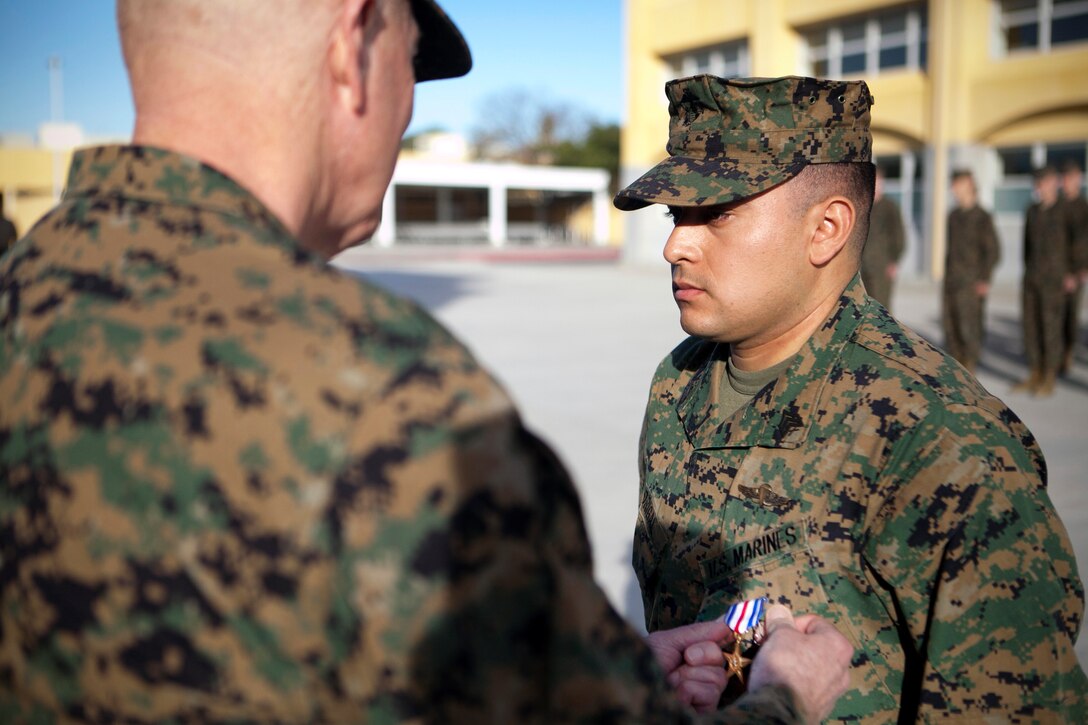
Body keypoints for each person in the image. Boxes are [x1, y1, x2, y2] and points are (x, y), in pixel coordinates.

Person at [0, 1, 855, 722]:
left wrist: (583, 660)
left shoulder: (24, 295)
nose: (409, 110)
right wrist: (783, 694)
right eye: (414, 65)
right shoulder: (388, 403)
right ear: (354, 42)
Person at [616, 74, 1088, 721]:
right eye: (677, 215)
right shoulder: (680, 382)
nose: (676, 244)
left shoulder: (943, 438)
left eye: (718, 213)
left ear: (826, 228)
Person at [1013, 165, 1075, 396]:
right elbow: (1026, 246)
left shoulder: (1066, 210)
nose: (1040, 187)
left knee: (1051, 328)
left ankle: (1049, 376)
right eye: (1037, 183)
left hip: (1056, 278)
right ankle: (1034, 372)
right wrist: (1027, 271)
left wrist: (1072, 272)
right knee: (1031, 327)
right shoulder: (1033, 210)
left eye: (1044, 182)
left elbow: (1077, 242)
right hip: (1033, 277)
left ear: (1055, 183)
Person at [942, 169, 1000, 373]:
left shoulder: (982, 217)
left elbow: (993, 251)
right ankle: (957, 372)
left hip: (972, 283)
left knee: (970, 329)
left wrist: (985, 279)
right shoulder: (953, 216)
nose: (953, 189)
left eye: (956, 184)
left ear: (968, 184)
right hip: (952, 281)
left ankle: (970, 373)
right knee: (951, 327)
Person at [859, 166, 905, 310]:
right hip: (863, 266)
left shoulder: (890, 207)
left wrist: (894, 261)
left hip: (882, 266)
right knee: (863, 308)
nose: (875, 185)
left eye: (878, 181)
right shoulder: (864, 206)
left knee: (881, 309)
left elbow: (899, 236)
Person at [1060, 159, 1088, 374]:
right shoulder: (1058, 206)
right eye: (1065, 178)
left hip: (1076, 270)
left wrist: (1081, 269)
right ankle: (1056, 352)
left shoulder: (1083, 207)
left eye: (1072, 178)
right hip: (1056, 269)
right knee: (1055, 314)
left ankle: (1068, 352)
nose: (1068, 183)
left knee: (1071, 315)